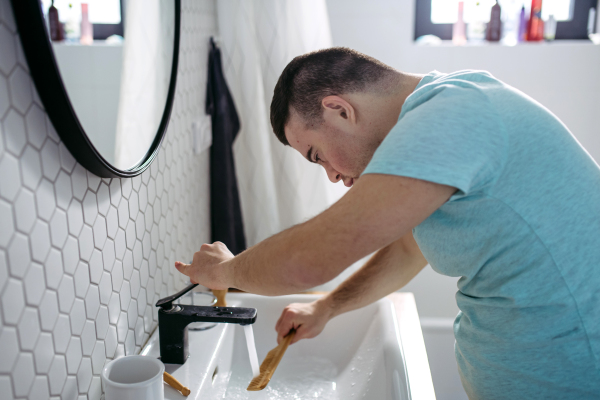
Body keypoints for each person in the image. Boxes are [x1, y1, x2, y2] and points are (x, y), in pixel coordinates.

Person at [175, 48, 600, 399]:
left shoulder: (450, 118)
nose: (332, 176)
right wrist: (327, 306)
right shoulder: (449, 107)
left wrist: (224, 271)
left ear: (339, 110)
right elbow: (408, 248)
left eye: (317, 154)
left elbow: (310, 259)